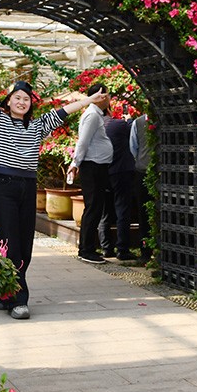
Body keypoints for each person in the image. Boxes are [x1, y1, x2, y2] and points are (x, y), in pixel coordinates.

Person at [0, 44, 104, 320]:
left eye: (26, 99)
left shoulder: (37, 126)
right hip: (3, 186)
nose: (21, 101)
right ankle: (19, 299)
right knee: (8, 243)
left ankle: (5, 293)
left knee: (24, 244)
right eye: (17, 97)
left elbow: (64, 111)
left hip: (27, 187)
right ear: (8, 102)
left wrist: (89, 99)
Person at [68, 84, 113, 264]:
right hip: (92, 166)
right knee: (93, 208)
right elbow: (83, 142)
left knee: (95, 207)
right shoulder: (92, 115)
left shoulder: (96, 114)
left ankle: (88, 248)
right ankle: (86, 250)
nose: (110, 98)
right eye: (107, 94)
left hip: (97, 166)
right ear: (100, 96)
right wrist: (75, 163)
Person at [100, 115, 134, 260]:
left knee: (105, 213)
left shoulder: (97, 126)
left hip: (103, 172)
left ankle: (106, 247)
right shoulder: (120, 124)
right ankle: (122, 249)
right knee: (122, 210)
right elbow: (134, 129)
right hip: (121, 171)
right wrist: (129, 119)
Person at [129, 112, 153, 261]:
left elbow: (133, 147)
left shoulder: (138, 122)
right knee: (145, 212)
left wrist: (141, 159)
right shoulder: (139, 122)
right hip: (151, 171)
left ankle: (146, 252)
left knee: (143, 213)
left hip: (142, 169)